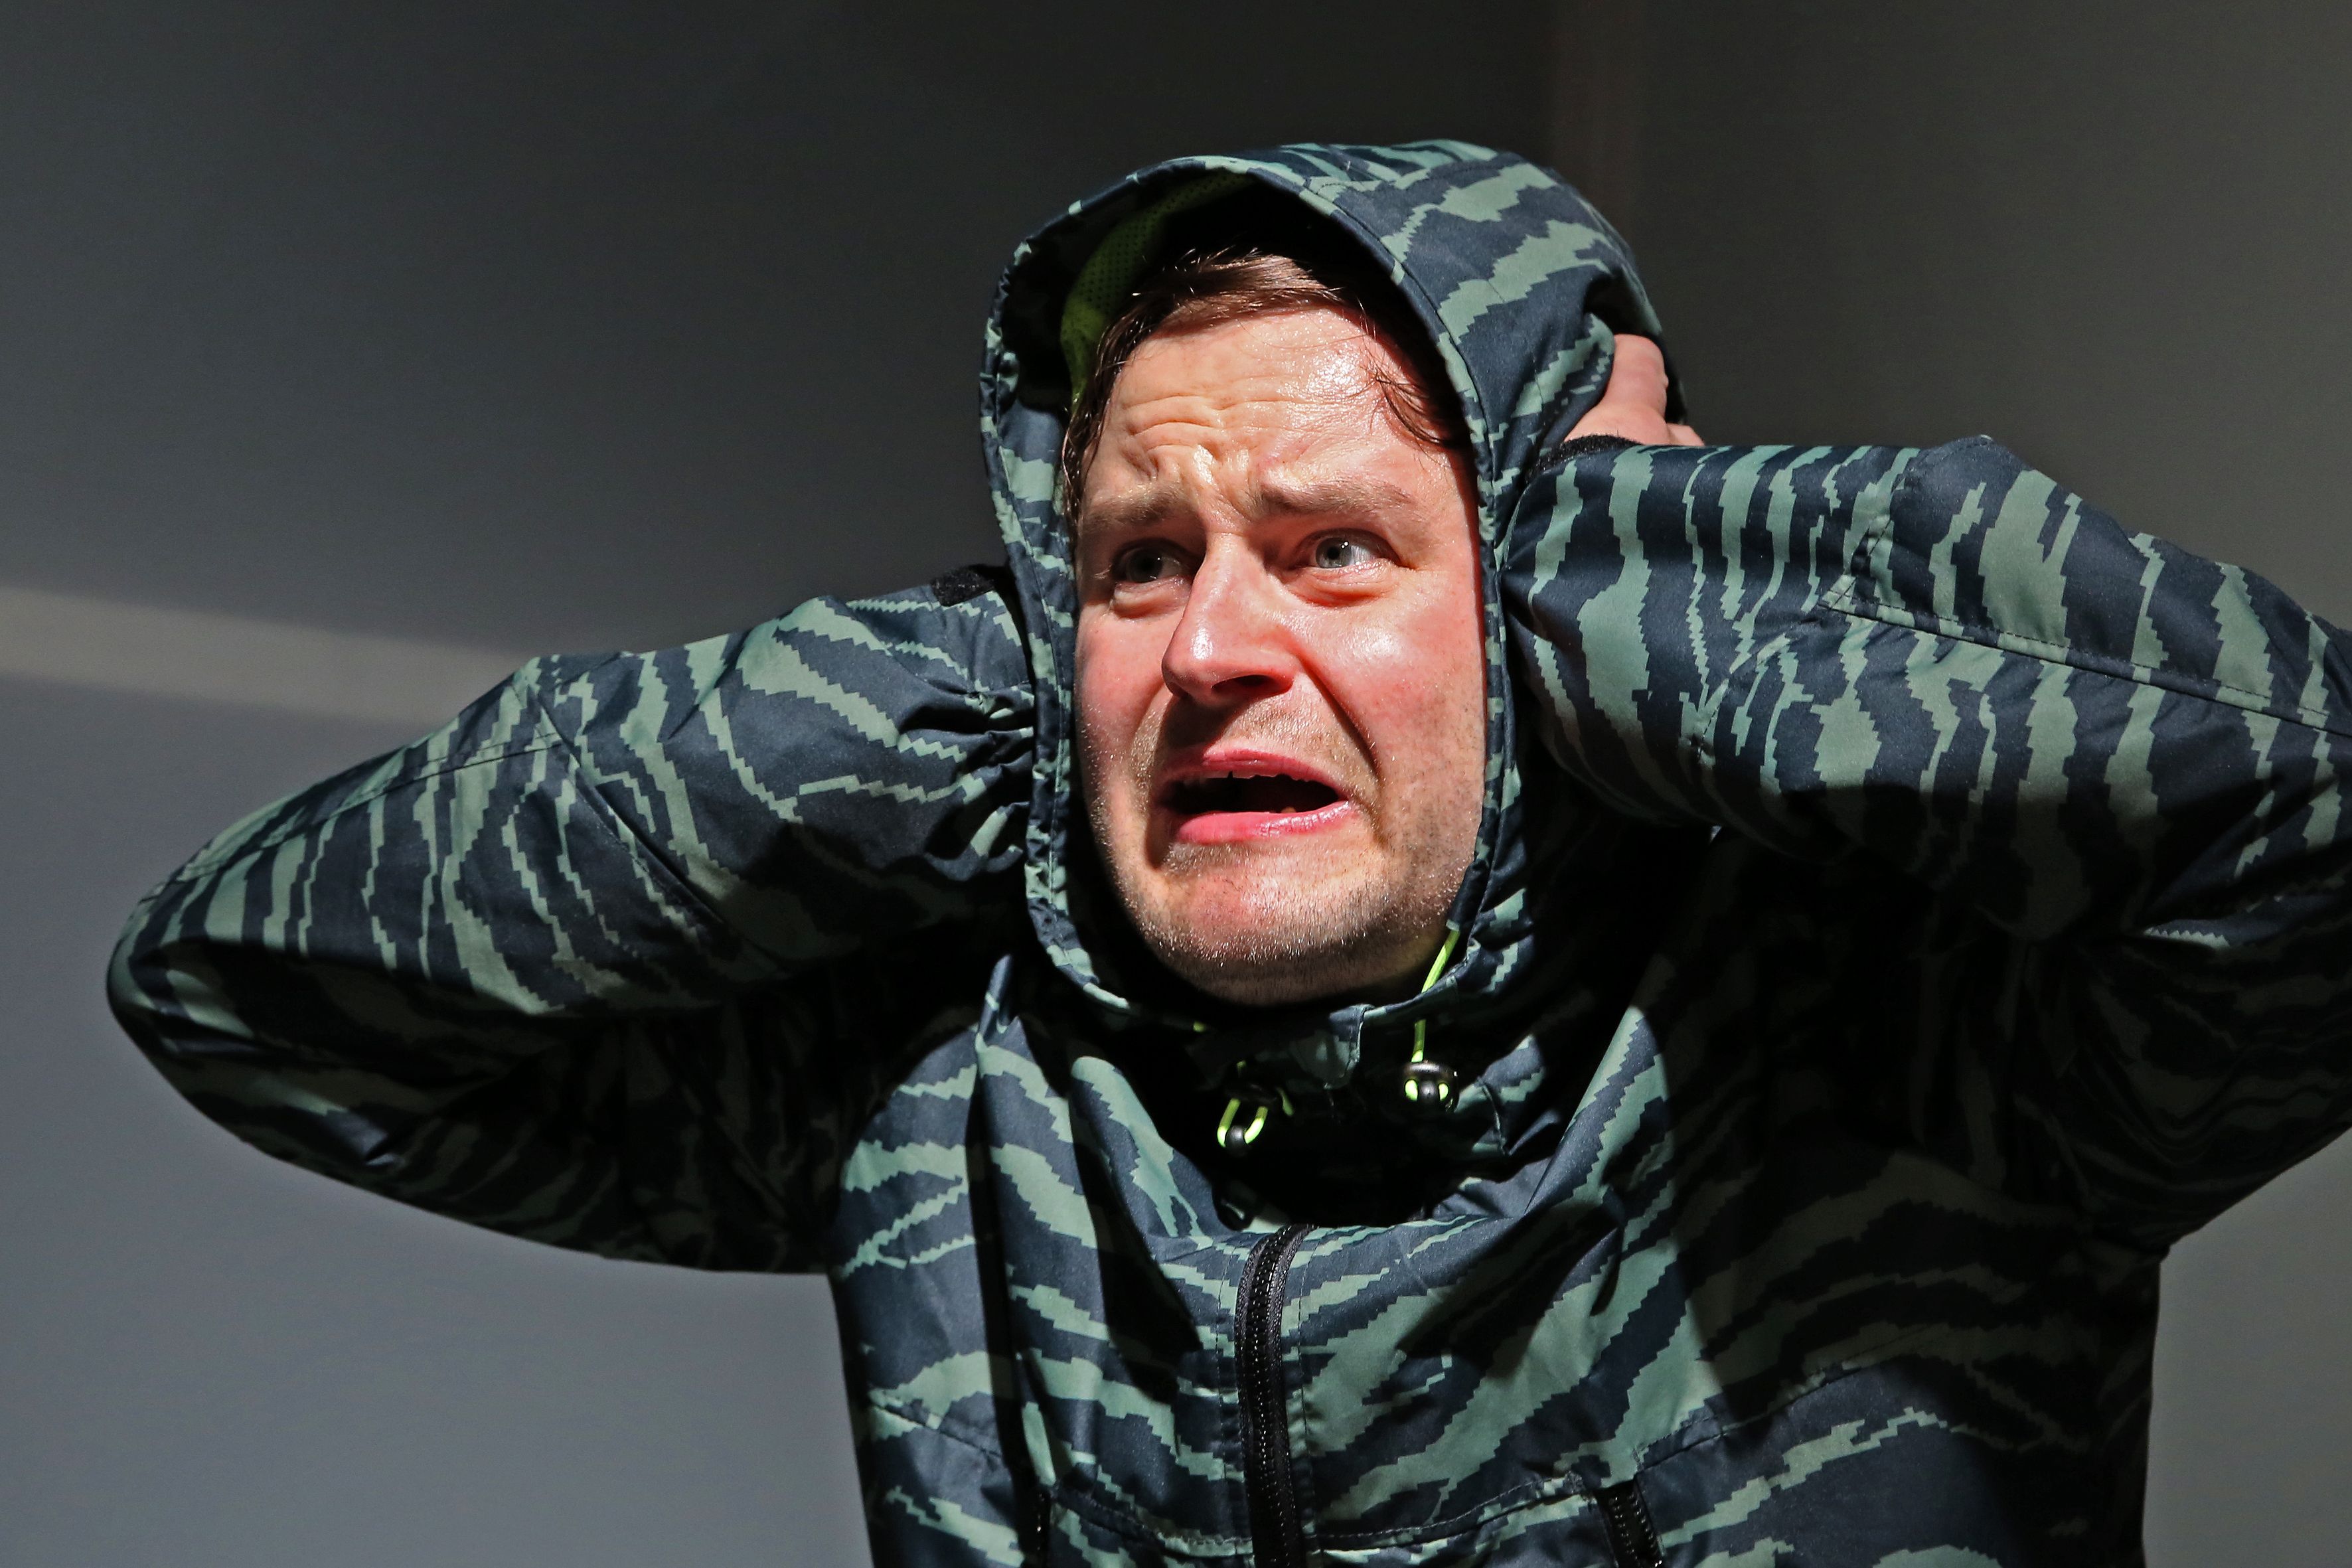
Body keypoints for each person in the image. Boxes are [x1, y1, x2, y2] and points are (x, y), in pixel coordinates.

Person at [109, 141, 2352, 1567]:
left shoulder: (1920, 1041)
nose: (1210, 650)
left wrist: (1639, 545)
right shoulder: (960, 1088)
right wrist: (1009, 675)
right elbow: (248, 983)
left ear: (1554, 598)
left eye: (1337, 547)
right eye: (1136, 560)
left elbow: (2319, 804)